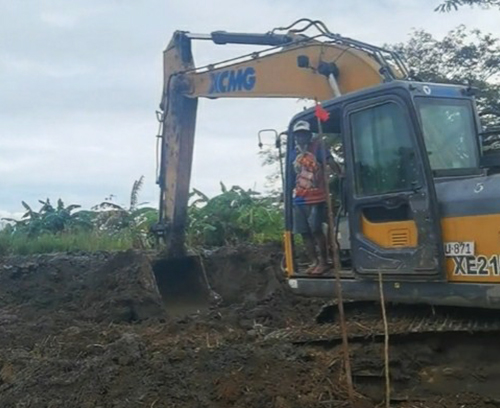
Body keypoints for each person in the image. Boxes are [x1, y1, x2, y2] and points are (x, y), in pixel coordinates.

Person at [291, 120, 340, 275]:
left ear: (308, 135)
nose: (301, 138)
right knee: (304, 231)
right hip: (299, 197)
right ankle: (314, 262)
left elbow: (330, 161)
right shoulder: (293, 152)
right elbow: (291, 174)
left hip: (316, 196)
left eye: (303, 134)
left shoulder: (318, 147)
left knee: (316, 229)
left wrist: (340, 174)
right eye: (298, 135)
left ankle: (324, 262)